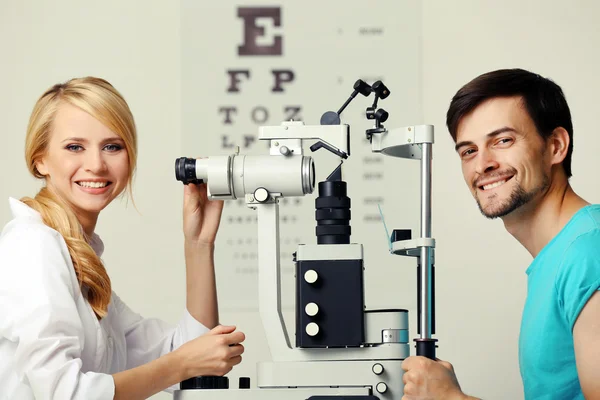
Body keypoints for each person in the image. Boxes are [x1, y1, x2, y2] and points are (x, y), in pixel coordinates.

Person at [0, 77, 246, 399]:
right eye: (75, 147)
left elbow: (190, 353)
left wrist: (199, 245)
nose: (96, 165)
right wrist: (180, 364)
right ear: (40, 158)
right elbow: (65, 393)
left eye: (112, 147)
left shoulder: (79, 261)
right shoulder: (34, 245)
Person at [401, 68, 600, 400]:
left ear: (555, 146)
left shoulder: (588, 252)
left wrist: (453, 399)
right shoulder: (560, 256)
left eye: (503, 140)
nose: (483, 164)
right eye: (468, 151)